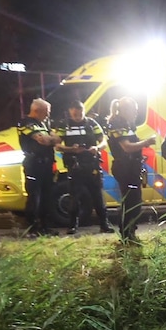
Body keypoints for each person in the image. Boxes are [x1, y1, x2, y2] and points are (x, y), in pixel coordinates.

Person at [106, 96, 157, 242]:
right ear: (125, 110)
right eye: (134, 110)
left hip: (131, 167)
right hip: (125, 168)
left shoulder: (127, 125)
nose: (136, 113)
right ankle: (126, 234)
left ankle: (130, 232)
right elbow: (127, 147)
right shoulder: (117, 124)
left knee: (135, 201)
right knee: (130, 202)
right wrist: (146, 142)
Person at [56, 100, 112, 234]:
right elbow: (57, 145)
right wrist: (71, 149)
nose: (77, 116)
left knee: (98, 196)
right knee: (74, 197)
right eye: (74, 114)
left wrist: (97, 148)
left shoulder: (92, 123)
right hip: (75, 165)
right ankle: (72, 226)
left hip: (92, 164)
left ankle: (104, 224)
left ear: (83, 110)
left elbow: (103, 141)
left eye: (80, 113)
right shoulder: (64, 125)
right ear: (70, 112)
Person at [17, 98, 62, 236]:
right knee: (34, 197)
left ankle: (45, 227)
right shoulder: (26, 123)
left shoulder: (44, 123)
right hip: (34, 165)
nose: (48, 115)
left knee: (46, 197)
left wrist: (50, 139)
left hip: (47, 164)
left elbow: (57, 138)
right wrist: (50, 139)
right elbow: (43, 140)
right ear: (36, 111)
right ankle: (32, 228)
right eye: (46, 112)